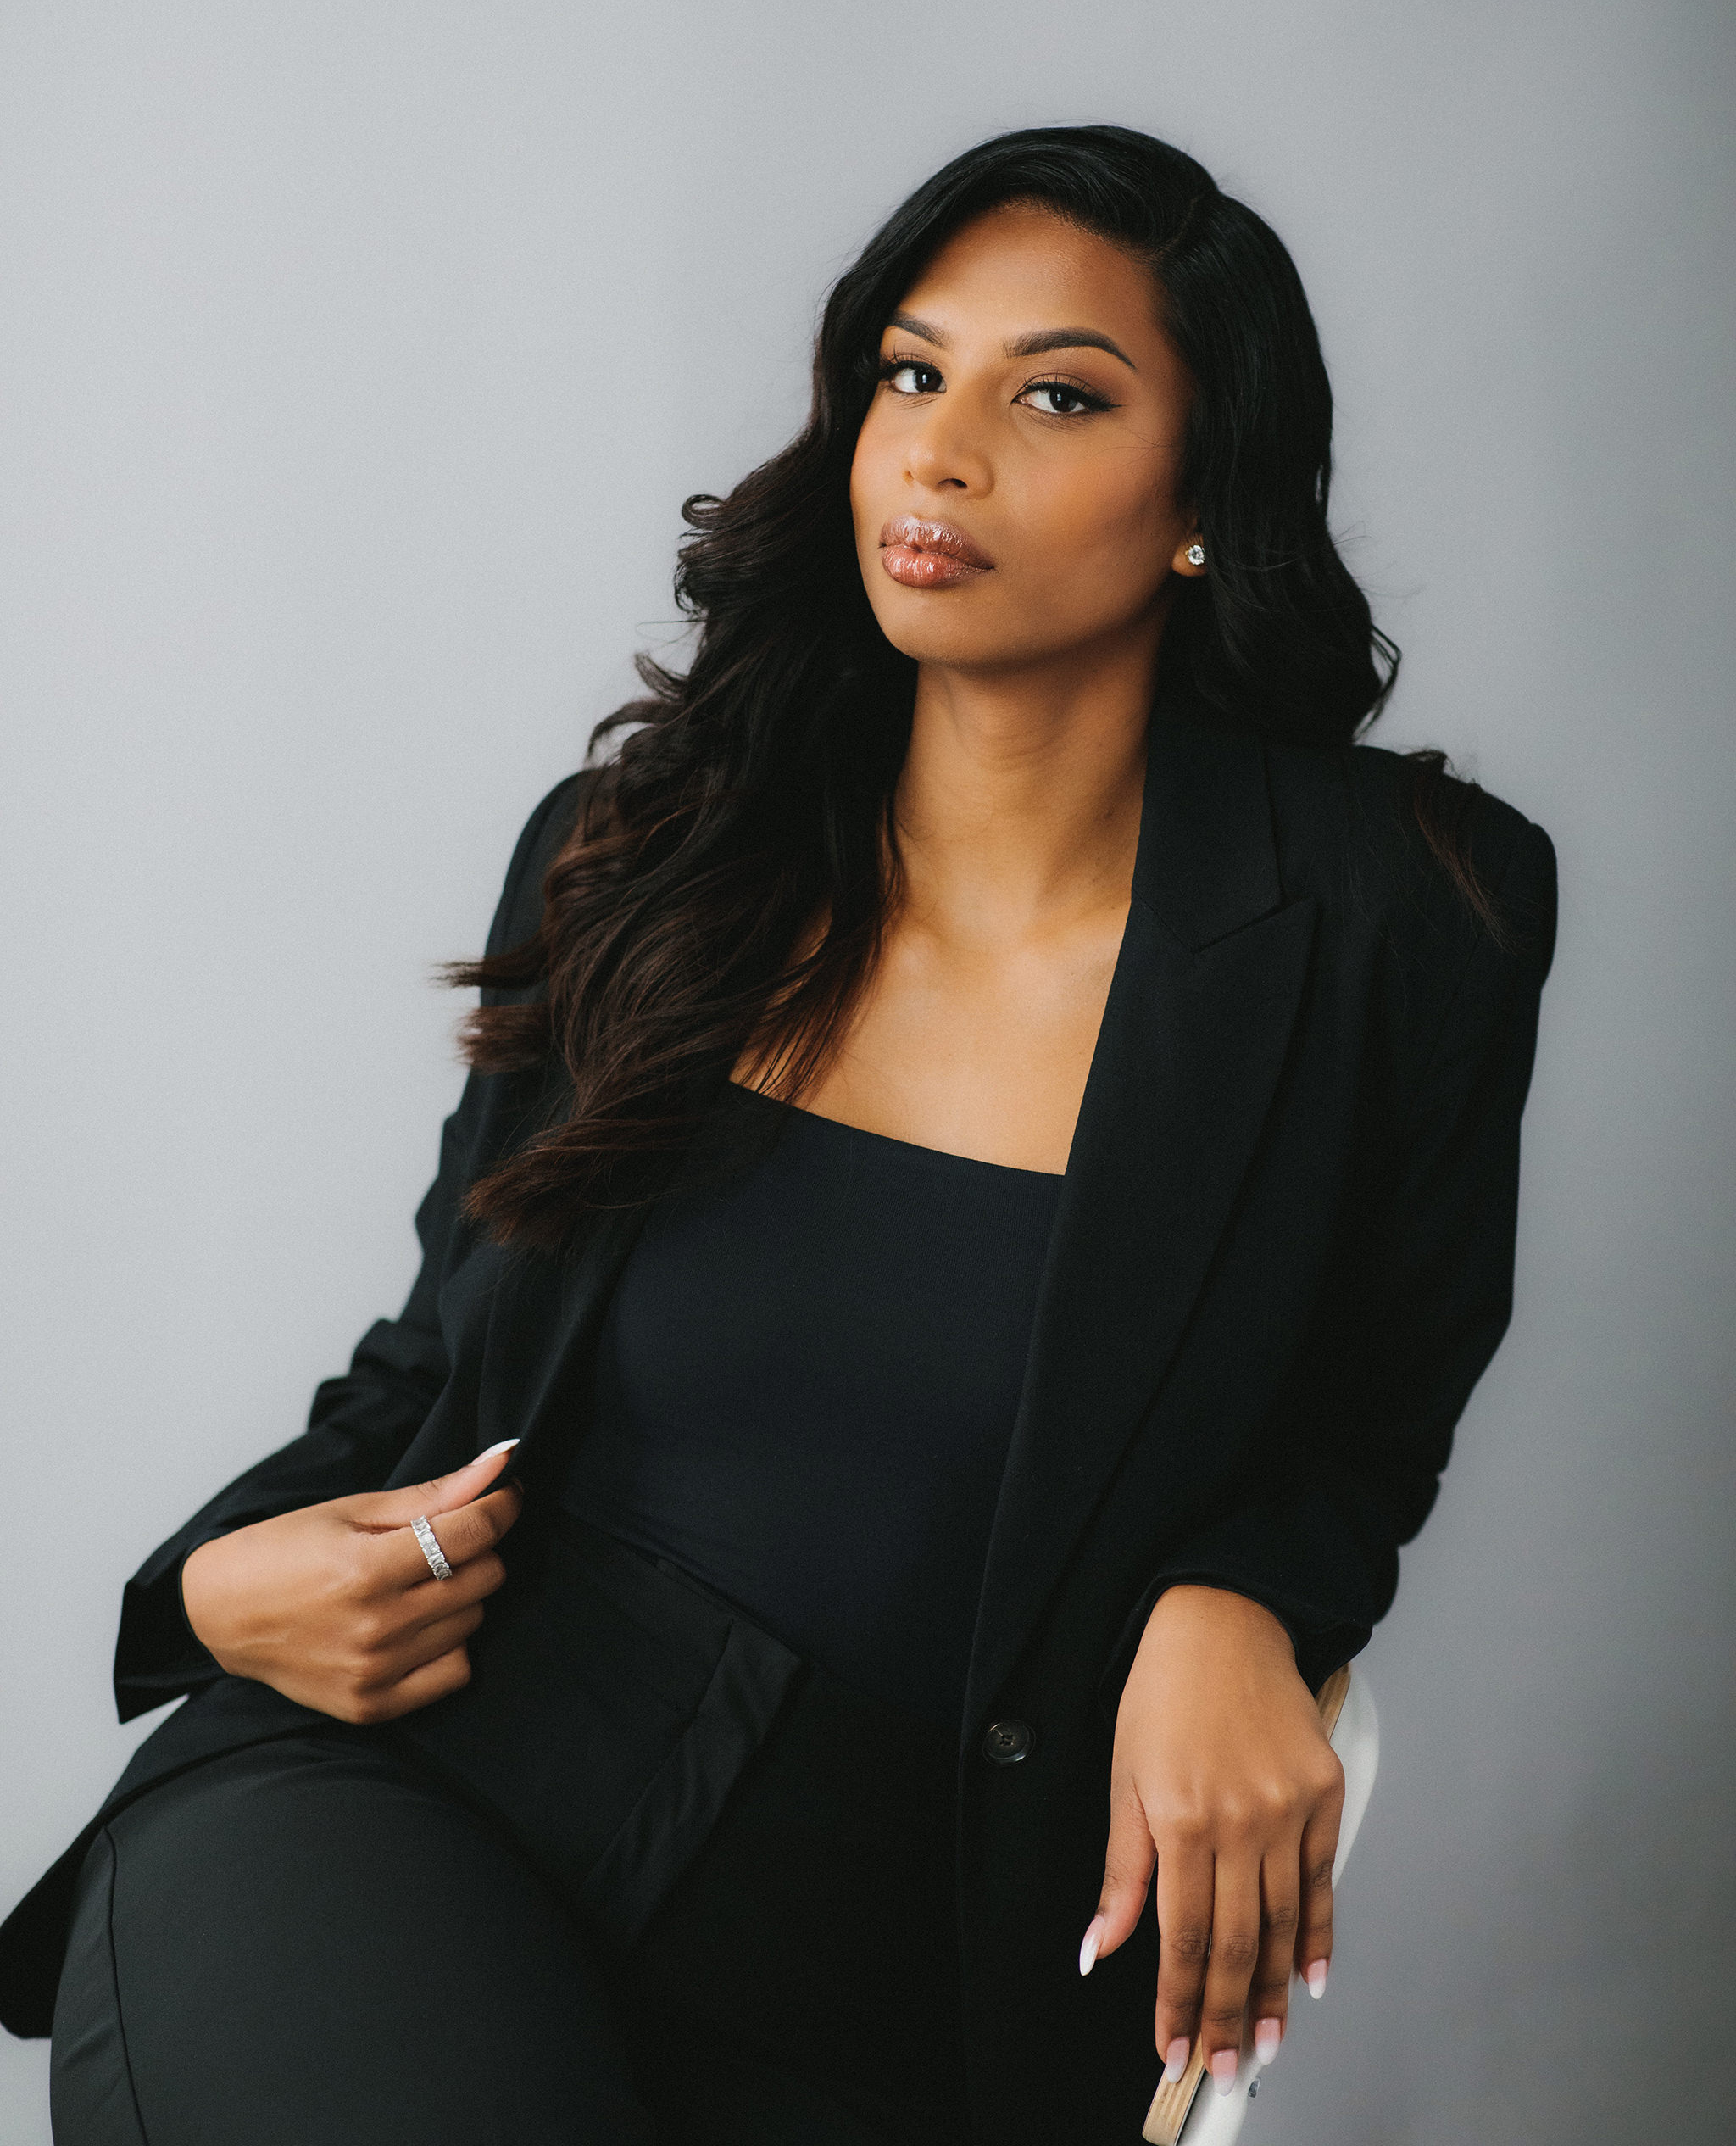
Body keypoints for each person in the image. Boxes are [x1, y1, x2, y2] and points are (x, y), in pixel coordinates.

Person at [2, 124, 1556, 2145]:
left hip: (911, 1950)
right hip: (425, 1794)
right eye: (910, 374)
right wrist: (209, 1593)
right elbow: (432, 1366)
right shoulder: (636, 861)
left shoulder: (1399, 916)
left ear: (1205, 499)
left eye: (1055, 393)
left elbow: (1369, 1403)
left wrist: (1242, 1595)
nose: (941, 450)